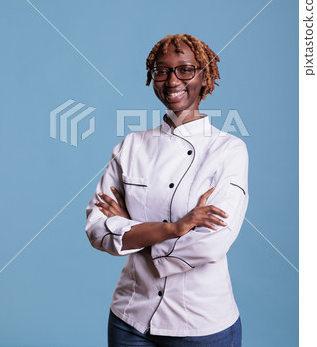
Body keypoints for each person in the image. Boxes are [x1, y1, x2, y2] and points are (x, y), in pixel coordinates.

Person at [85, 33, 249, 346]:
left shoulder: (229, 150)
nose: (173, 80)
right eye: (162, 71)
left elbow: (210, 245)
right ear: (153, 78)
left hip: (200, 325)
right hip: (129, 318)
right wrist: (175, 229)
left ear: (205, 75)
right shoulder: (130, 147)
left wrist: (132, 232)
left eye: (185, 69)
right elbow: (97, 230)